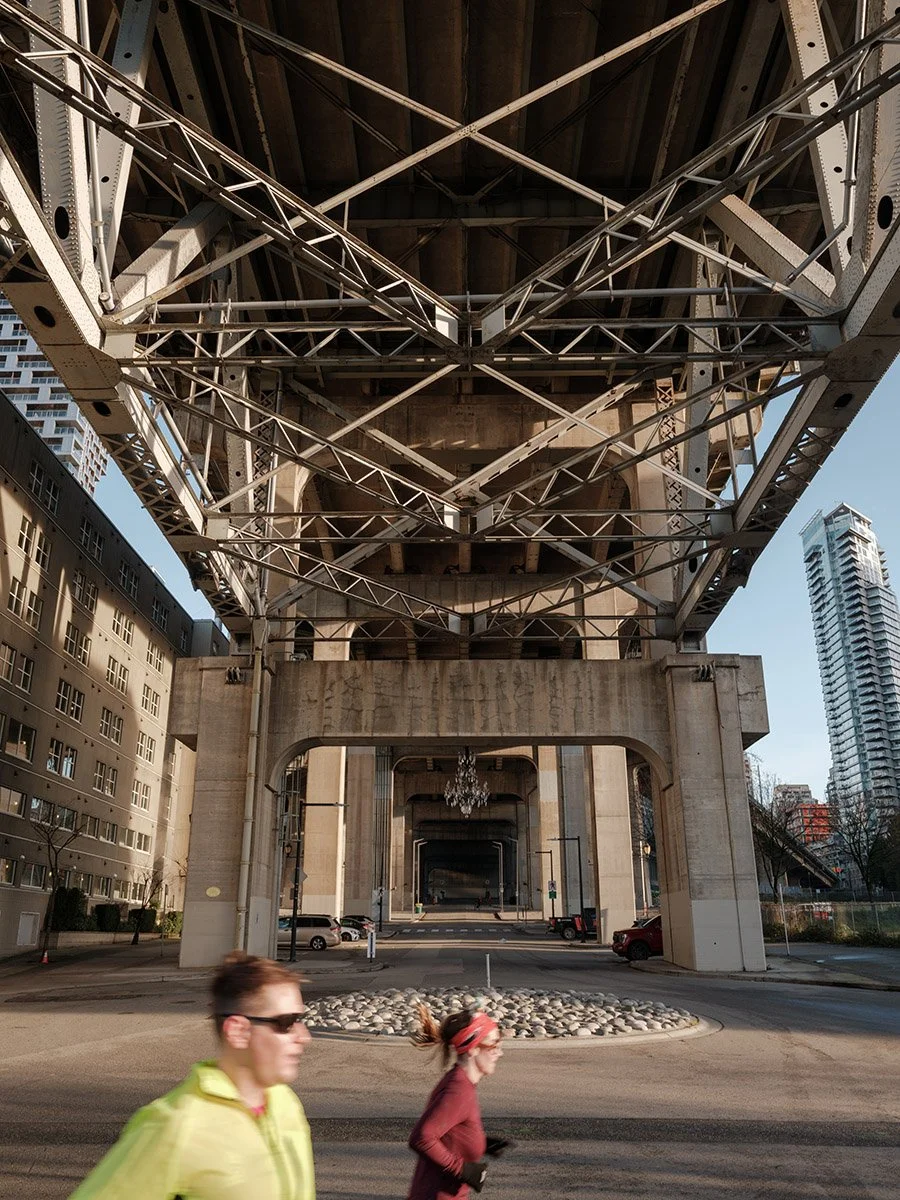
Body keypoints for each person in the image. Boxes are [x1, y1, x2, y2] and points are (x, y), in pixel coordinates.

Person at [68, 952, 315, 1200]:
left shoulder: (285, 1102)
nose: (304, 1037)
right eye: (286, 1023)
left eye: (300, 1020)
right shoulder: (175, 1125)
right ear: (238, 1031)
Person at [406, 1005, 511, 1199]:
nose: (499, 1053)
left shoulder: (460, 1081)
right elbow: (421, 1137)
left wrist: (479, 1142)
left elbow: (446, 1129)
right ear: (472, 1049)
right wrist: (462, 1170)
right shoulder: (458, 1089)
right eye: (494, 1044)